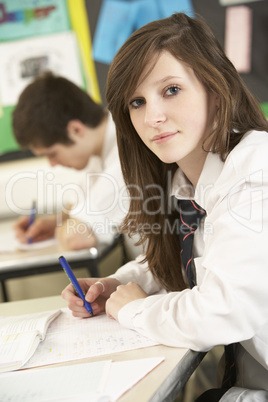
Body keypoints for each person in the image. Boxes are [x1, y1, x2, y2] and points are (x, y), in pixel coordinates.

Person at [61, 13, 268, 401]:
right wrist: (120, 286)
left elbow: (223, 311)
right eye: (136, 102)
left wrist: (134, 310)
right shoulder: (188, 183)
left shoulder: (255, 174)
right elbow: (197, 255)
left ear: (214, 87)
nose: (152, 117)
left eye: (171, 90)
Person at [12, 72, 139, 257]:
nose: (52, 164)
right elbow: (81, 201)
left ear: (76, 130)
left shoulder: (126, 150)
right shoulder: (99, 149)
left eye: (52, 153)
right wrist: (55, 221)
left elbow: (76, 238)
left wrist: (66, 226)